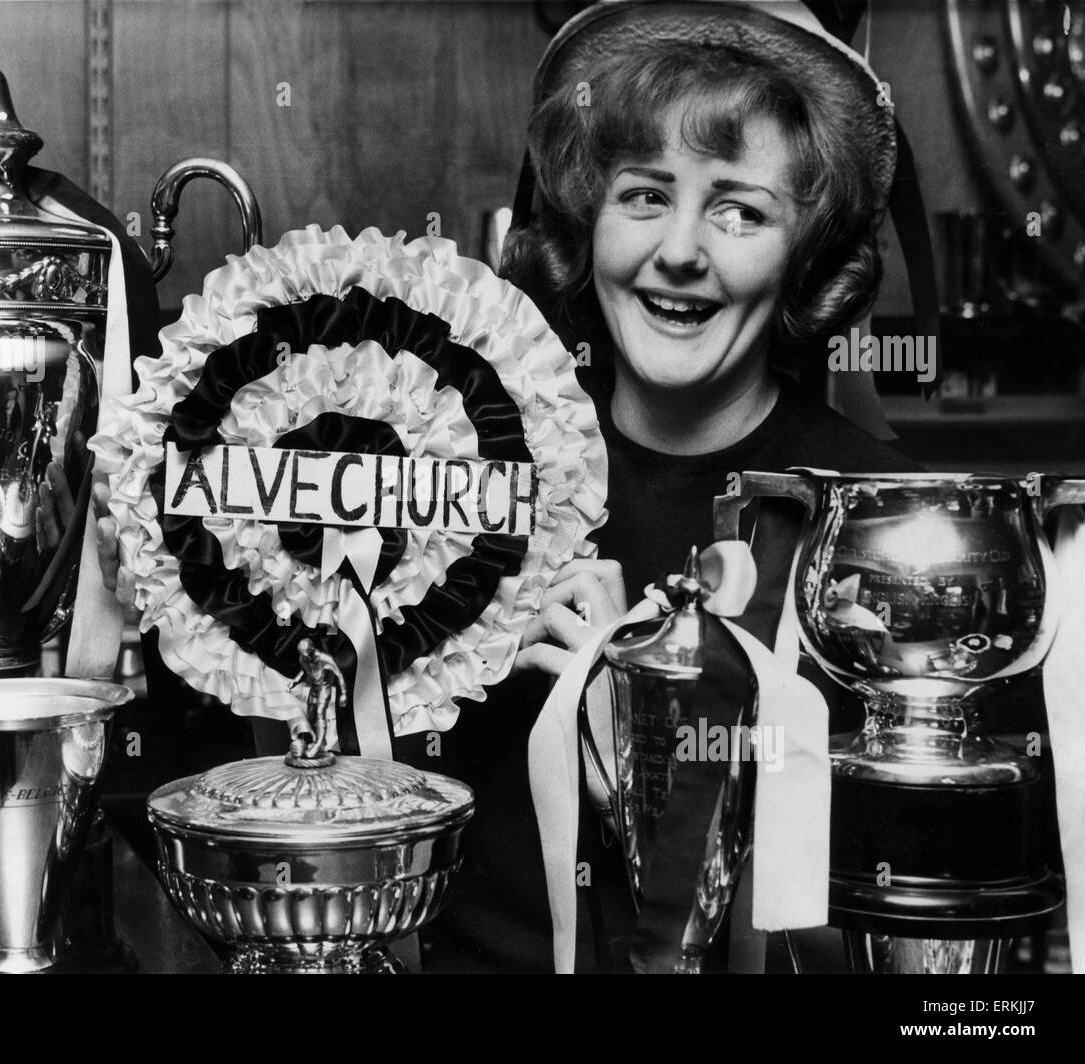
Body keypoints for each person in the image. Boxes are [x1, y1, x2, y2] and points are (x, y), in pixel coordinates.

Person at [94, 0, 926, 973]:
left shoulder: (875, 519)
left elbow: (892, 942)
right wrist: (173, 576)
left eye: (740, 208)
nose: (681, 251)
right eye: (645, 195)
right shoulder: (457, 461)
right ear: (588, 212)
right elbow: (310, 762)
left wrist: (658, 780)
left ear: (804, 251)